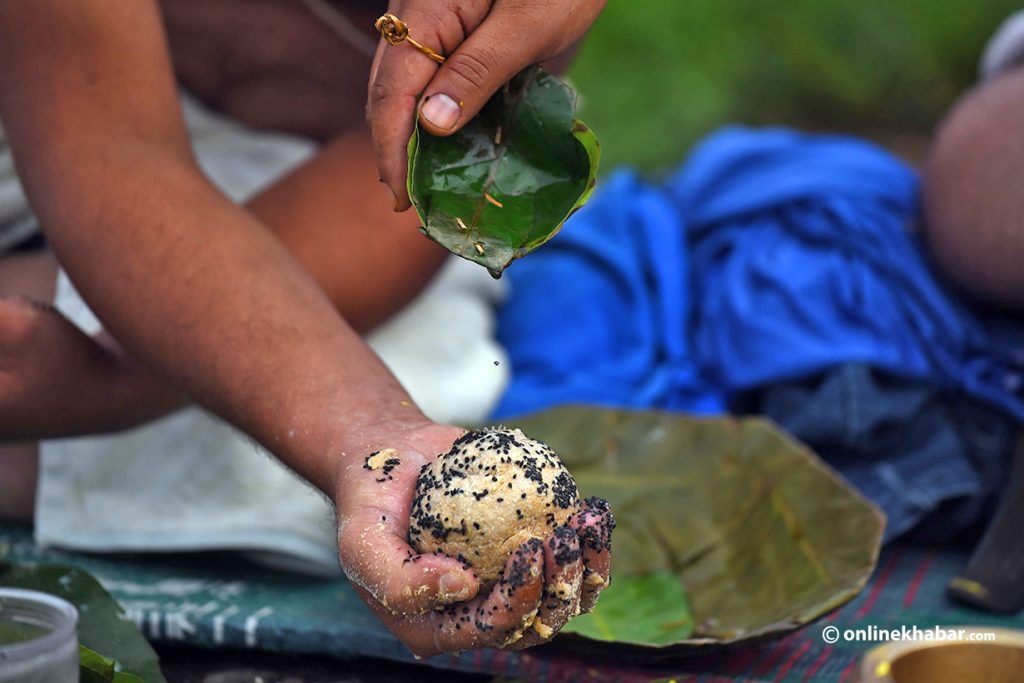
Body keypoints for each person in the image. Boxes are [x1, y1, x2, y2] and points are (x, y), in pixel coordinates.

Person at [0, 0, 612, 656]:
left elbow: (400, 197)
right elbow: (113, 150)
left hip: (302, 188)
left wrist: (370, 436)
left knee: (378, 404)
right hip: (51, 122)